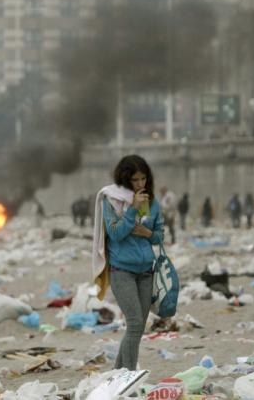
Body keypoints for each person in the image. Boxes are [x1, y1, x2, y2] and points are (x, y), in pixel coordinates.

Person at [92, 155, 164, 371]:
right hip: (122, 270)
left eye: (143, 179)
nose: (140, 184)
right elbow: (116, 234)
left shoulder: (151, 202)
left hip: (146, 271)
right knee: (133, 324)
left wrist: (148, 233)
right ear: (125, 179)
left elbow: (159, 237)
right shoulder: (111, 200)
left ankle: (118, 374)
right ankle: (129, 377)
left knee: (138, 327)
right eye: (135, 180)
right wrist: (132, 209)